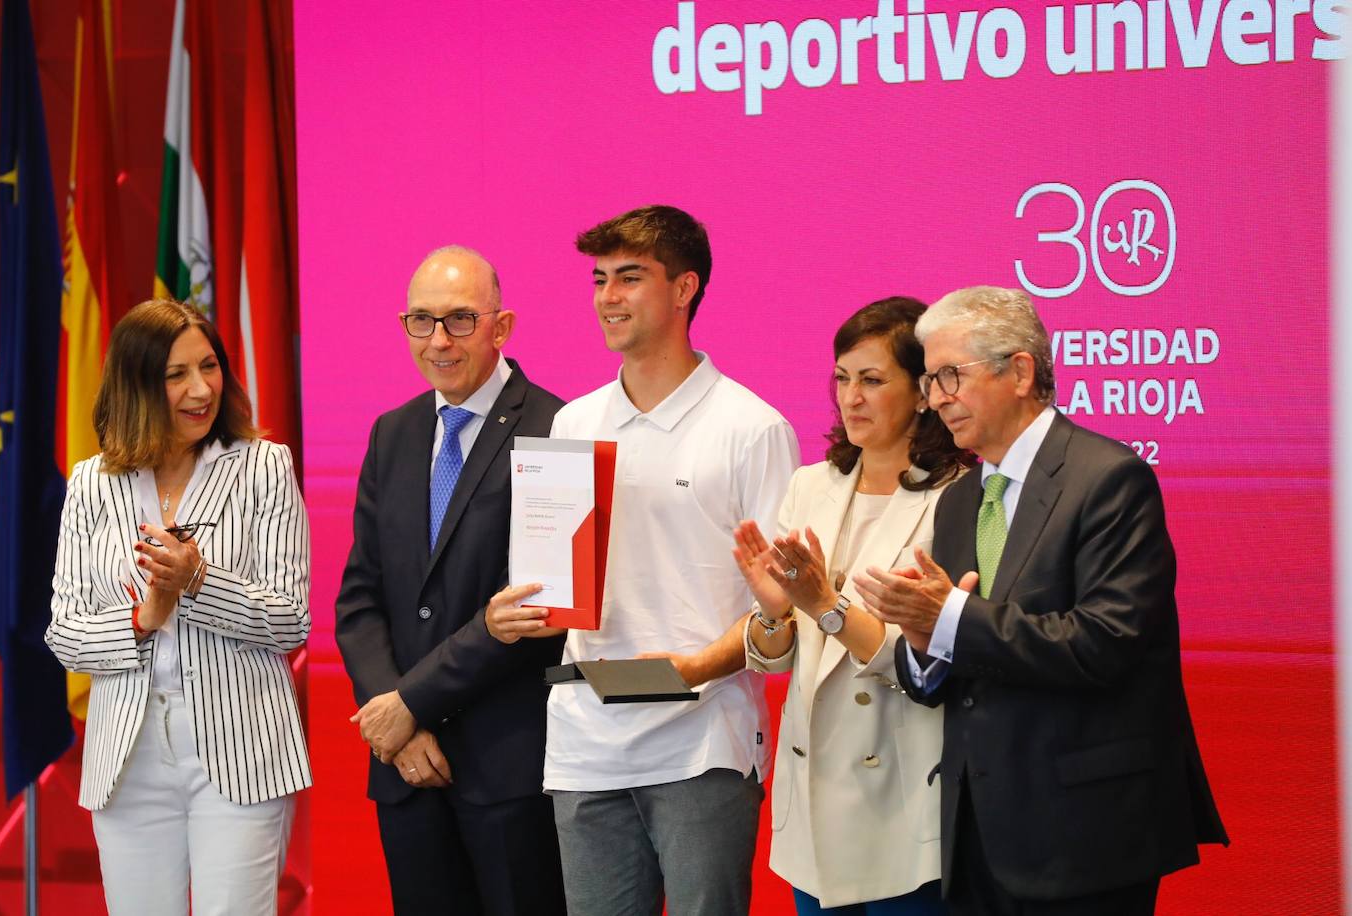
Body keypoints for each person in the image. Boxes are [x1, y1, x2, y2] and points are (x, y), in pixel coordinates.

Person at [853, 286, 1228, 915]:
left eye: (952, 374)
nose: (937, 397)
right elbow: (945, 672)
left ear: (1020, 371)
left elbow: (1103, 644)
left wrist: (948, 619)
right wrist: (923, 643)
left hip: (1085, 830)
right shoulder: (961, 499)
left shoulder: (1109, 479)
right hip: (975, 833)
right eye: (930, 379)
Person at [486, 205, 800, 916]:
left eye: (629, 278)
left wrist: (689, 670)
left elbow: (780, 618)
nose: (607, 298)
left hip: (701, 743)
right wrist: (517, 613)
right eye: (600, 280)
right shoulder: (573, 423)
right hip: (584, 740)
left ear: (685, 289)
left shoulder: (752, 429)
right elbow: (555, 588)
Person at [668, 297, 974, 915]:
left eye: (871, 380)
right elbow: (777, 660)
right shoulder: (812, 485)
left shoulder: (958, 496)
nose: (851, 398)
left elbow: (934, 666)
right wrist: (776, 611)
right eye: (841, 379)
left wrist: (827, 606)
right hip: (814, 801)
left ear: (921, 394)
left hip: (904, 797)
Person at [45, 299, 311, 916]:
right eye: (175, 375)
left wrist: (198, 582)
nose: (201, 389)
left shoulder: (264, 468)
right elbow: (66, 635)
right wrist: (144, 619)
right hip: (128, 754)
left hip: (241, 746)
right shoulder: (91, 482)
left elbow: (289, 620)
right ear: (136, 385)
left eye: (210, 367)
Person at [335, 246, 567, 915]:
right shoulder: (392, 433)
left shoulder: (556, 429)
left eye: (461, 320)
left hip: (511, 769)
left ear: (503, 326)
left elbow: (535, 610)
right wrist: (398, 724)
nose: (439, 341)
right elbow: (359, 599)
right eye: (422, 321)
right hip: (405, 768)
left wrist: (410, 704)